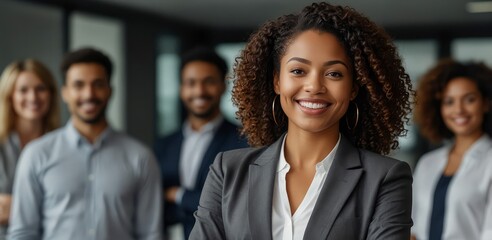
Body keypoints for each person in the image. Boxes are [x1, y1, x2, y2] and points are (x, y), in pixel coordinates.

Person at [189, 2, 414, 239]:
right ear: (277, 81)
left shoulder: (385, 178)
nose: (314, 86)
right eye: (298, 71)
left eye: (334, 74)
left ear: (353, 89)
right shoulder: (228, 171)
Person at [8, 48, 163, 240]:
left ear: (110, 90)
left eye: (98, 84)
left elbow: (151, 234)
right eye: (78, 85)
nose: (89, 94)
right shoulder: (36, 154)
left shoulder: (141, 157)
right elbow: (23, 233)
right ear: (65, 93)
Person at [155, 47, 248, 239]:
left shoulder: (243, 142)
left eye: (209, 82)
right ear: (181, 89)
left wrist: (178, 195)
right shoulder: (164, 145)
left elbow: (234, 203)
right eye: (191, 83)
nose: (200, 91)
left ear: (223, 86)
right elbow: (154, 203)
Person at [411, 59, 492, 240]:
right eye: (449, 102)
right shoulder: (427, 163)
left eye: (469, 99)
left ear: (486, 103)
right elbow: (413, 227)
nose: (459, 110)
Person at [0, 59, 60, 240]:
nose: (33, 97)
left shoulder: (64, 145)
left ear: (51, 94)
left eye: (40, 88)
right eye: (23, 90)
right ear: (10, 95)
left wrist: (16, 206)